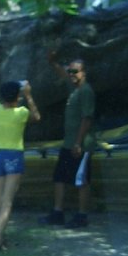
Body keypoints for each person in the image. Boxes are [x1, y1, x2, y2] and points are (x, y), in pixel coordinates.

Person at [41, 53, 95, 228]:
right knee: (59, 178)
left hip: (80, 145)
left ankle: (82, 216)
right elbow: (62, 74)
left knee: (81, 181)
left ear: (84, 72)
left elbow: (87, 119)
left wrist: (78, 142)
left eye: (76, 71)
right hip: (67, 144)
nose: (72, 74)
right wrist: (52, 61)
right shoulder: (74, 88)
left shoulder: (86, 91)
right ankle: (58, 213)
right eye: (70, 70)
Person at [0, 80, 40, 250]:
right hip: (14, 155)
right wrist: (29, 95)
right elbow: (37, 116)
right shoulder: (21, 113)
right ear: (18, 96)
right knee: (8, 201)